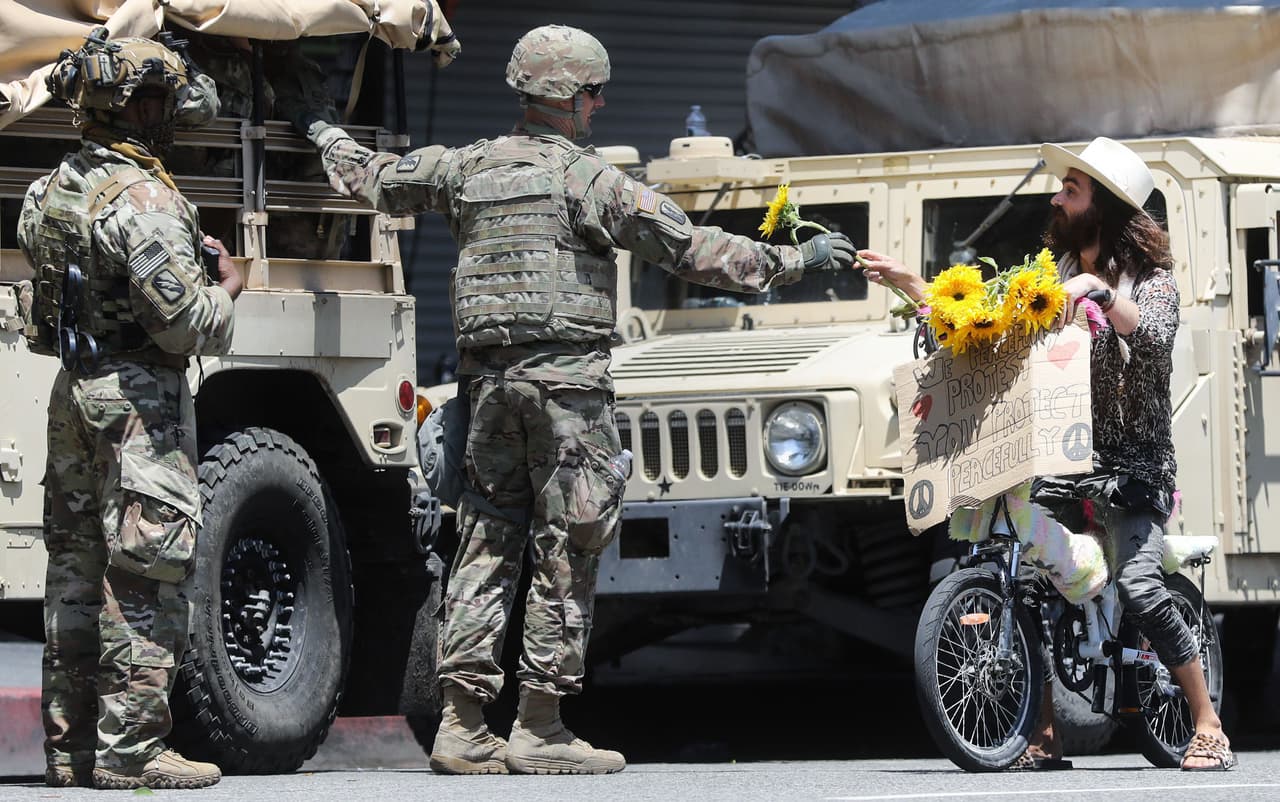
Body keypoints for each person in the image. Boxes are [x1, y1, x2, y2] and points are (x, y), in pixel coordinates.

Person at [287, 23, 854, 776]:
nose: (601, 105)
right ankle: (540, 726)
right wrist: (798, 259)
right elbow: (695, 252)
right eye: (595, 93)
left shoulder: (466, 169)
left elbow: (374, 176)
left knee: (485, 541)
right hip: (567, 394)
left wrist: (317, 122)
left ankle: (460, 726)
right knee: (569, 546)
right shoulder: (590, 181)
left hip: (488, 388)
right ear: (575, 98)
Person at [860, 136, 1234, 772]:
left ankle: (1206, 721)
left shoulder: (1155, 283)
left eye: (1071, 190)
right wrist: (912, 286)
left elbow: (1152, 336)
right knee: (1029, 579)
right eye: (1061, 188)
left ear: (1105, 207)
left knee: (1141, 586)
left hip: (1132, 468)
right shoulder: (1047, 278)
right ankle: (1045, 732)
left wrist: (1098, 291)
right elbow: (981, 325)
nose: (1057, 199)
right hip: (1064, 463)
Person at [15, 29, 241, 789]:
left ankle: (72, 750)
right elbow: (183, 323)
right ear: (137, 105)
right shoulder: (143, 197)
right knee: (147, 568)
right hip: (139, 400)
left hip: (74, 392)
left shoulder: (48, 189)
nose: (173, 111)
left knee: (75, 572)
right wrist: (226, 285)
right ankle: (132, 752)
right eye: (163, 99)